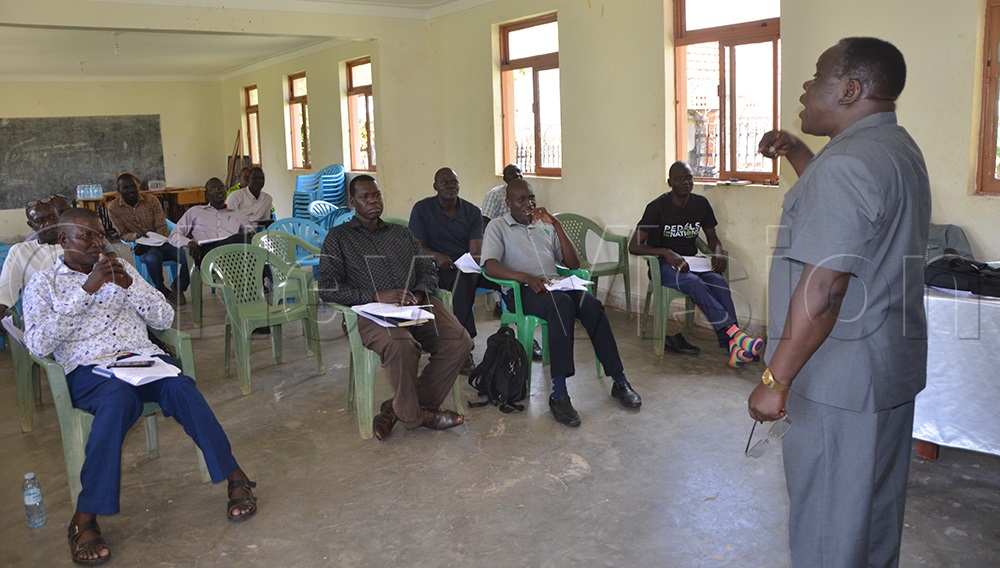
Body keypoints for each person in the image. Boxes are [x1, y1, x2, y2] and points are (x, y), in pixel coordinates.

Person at [749, 37, 930, 568]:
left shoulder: (845, 166)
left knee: (829, 526)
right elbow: (854, 223)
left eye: (816, 76)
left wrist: (774, 380)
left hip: (837, 377)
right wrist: (801, 156)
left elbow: (825, 288)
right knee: (871, 516)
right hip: (885, 370)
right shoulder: (896, 148)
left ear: (850, 89)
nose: (805, 88)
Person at [23, 208, 257, 565]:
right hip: (91, 370)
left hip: (141, 361)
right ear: (62, 241)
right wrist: (87, 291)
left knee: (182, 388)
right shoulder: (44, 283)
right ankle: (84, 517)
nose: (97, 243)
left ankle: (234, 474)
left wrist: (130, 286)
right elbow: (38, 343)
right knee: (118, 401)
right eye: (87, 237)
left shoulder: (123, 269)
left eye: (100, 235)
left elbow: (163, 317)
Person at [318, 174, 472, 441]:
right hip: (372, 312)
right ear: (353, 202)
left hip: (415, 305)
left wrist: (419, 291)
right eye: (365, 197)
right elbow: (327, 287)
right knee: (401, 345)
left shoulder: (401, 233)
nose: (373, 201)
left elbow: (426, 269)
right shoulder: (339, 238)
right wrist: (375, 295)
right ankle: (417, 416)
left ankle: (397, 408)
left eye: (376, 195)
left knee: (460, 341)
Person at [481, 179, 642, 427]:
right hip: (521, 291)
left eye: (531, 198)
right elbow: (489, 265)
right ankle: (559, 392)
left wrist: (555, 224)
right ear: (508, 203)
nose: (529, 204)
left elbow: (573, 263)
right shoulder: (497, 226)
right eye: (521, 199)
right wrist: (525, 277)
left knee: (591, 305)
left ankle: (619, 380)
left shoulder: (544, 226)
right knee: (562, 305)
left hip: (554, 285)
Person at [628, 160, 763, 367]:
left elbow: (712, 238)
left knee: (718, 281)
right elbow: (634, 246)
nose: (685, 182)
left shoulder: (701, 204)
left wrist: (717, 252)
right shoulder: (656, 208)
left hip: (692, 263)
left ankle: (733, 346)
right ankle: (736, 336)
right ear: (670, 182)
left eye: (689, 178)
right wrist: (665, 252)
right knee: (693, 283)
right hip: (664, 266)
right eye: (679, 178)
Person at [409, 167, 497, 373]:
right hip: (436, 265)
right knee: (462, 281)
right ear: (435, 186)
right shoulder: (422, 209)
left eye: (454, 182)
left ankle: (515, 333)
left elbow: (476, 251)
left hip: (466, 265)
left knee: (499, 277)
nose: (450, 186)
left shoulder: (472, 212)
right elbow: (417, 246)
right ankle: (465, 348)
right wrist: (436, 256)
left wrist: (472, 269)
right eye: (445, 182)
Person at [480, 163, 543, 358]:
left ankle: (526, 336)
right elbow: (484, 224)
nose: (517, 177)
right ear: (504, 179)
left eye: (520, 174)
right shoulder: (495, 196)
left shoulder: (531, 213)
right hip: (499, 247)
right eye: (512, 175)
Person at [107, 172, 190, 304]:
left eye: (133, 186)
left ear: (138, 186)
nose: (130, 190)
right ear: (119, 190)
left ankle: (178, 287)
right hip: (142, 245)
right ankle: (162, 290)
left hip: (161, 241)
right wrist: (136, 236)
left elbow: (161, 225)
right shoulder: (114, 208)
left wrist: (157, 238)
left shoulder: (151, 200)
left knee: (189, 257)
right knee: (152, 258)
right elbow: (122, 233)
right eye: (125, 188)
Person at [170, 177, 255, 267]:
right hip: (205, 251)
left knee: (245, 242)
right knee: (238, 238)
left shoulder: (236, 213)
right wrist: (189, 242)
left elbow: (250, 232)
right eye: (213, 189)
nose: (218, 191)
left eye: (221, 187)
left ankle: (265, 274)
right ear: (207, 194)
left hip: (232, 253)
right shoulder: (195, 211)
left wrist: (251, 234)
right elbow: (174, 235)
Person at [0, 199, 62, 315]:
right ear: (31, 225)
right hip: (38, 316)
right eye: (40, 221)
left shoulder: (79, 246)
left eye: (52, 217)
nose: (48, 223)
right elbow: (7, 287)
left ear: (59, 216)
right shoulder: (20, 251)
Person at [226, 166, 273, 230]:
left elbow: (264, 221)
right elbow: (228, 219)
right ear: (248, 180)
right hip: (236, 232)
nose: (258, 181)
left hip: (254, 234)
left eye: (261, 178)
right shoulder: (236, 196)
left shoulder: (267, 199)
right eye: (255, 178)